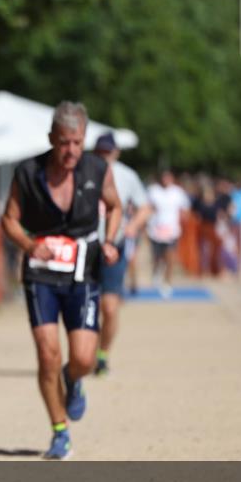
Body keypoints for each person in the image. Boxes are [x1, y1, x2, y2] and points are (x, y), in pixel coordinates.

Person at [2, 101, 121, 460]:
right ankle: (59, 431)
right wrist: (28, 244)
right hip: (40, 275)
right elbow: (8, 219)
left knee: (83, 358)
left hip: (83, 269)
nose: (70, 151)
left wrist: (110, 241)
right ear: (52, 138)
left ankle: (74, 380)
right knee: (47, 354)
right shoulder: (27, 172)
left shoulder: (97, 168)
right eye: (64, 142)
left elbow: (115, 206)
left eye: (77, 142)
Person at [92, 133, 152, 376]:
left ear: (116, 153)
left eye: (109, 152)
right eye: (101, 152)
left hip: (113, 247)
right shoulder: (81, 172)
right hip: (86, 247)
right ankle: (85, 350)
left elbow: (145, 207)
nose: (105, 156)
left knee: (109, 307)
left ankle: (103, 354)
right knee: (85, 307)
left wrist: (132, 226)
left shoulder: (127, 176)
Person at [146, 169, 191, 297]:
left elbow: (185, 209)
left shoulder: (178, 192)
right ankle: (157, 272)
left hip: (172, 231)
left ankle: (168, 283)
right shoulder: (153, 190)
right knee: (157, 257)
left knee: (170, 258)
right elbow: (147, 207)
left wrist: (183, 220)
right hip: (155, 231)